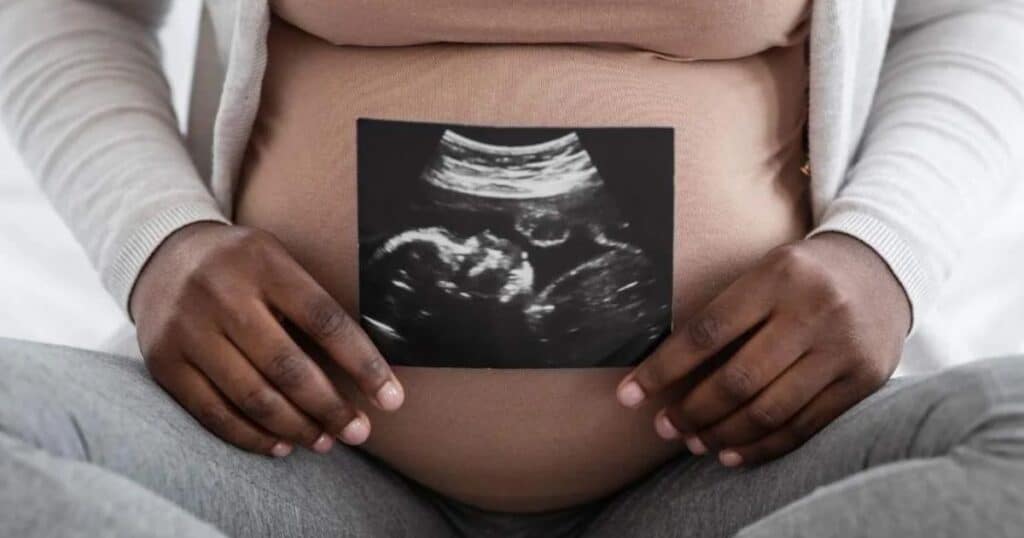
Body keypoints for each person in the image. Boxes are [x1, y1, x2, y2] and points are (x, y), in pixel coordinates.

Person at [1, 1, 1023, 537]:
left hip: (733, 479)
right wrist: (156, 240)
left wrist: (885, 249)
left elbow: (967, 13)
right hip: (297, 463)